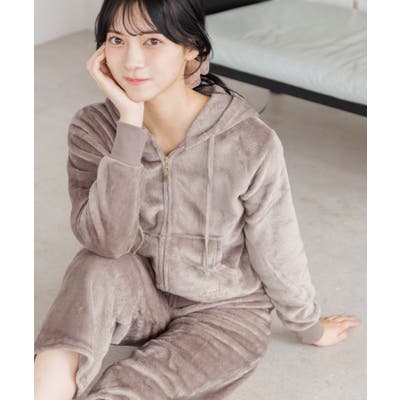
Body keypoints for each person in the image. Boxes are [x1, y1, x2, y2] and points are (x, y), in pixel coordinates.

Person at [34, 1, 362, 399]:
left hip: (224, 310)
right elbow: (107, 243)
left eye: (152, 41)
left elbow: (277, 247)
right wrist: (129, 128)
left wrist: (308, 326)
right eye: (117, 40)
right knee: (93, 266)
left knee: (133, 390)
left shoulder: (249, 141)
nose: (132, 60)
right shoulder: (94, 128)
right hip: (139, 290)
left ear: (191, 48)